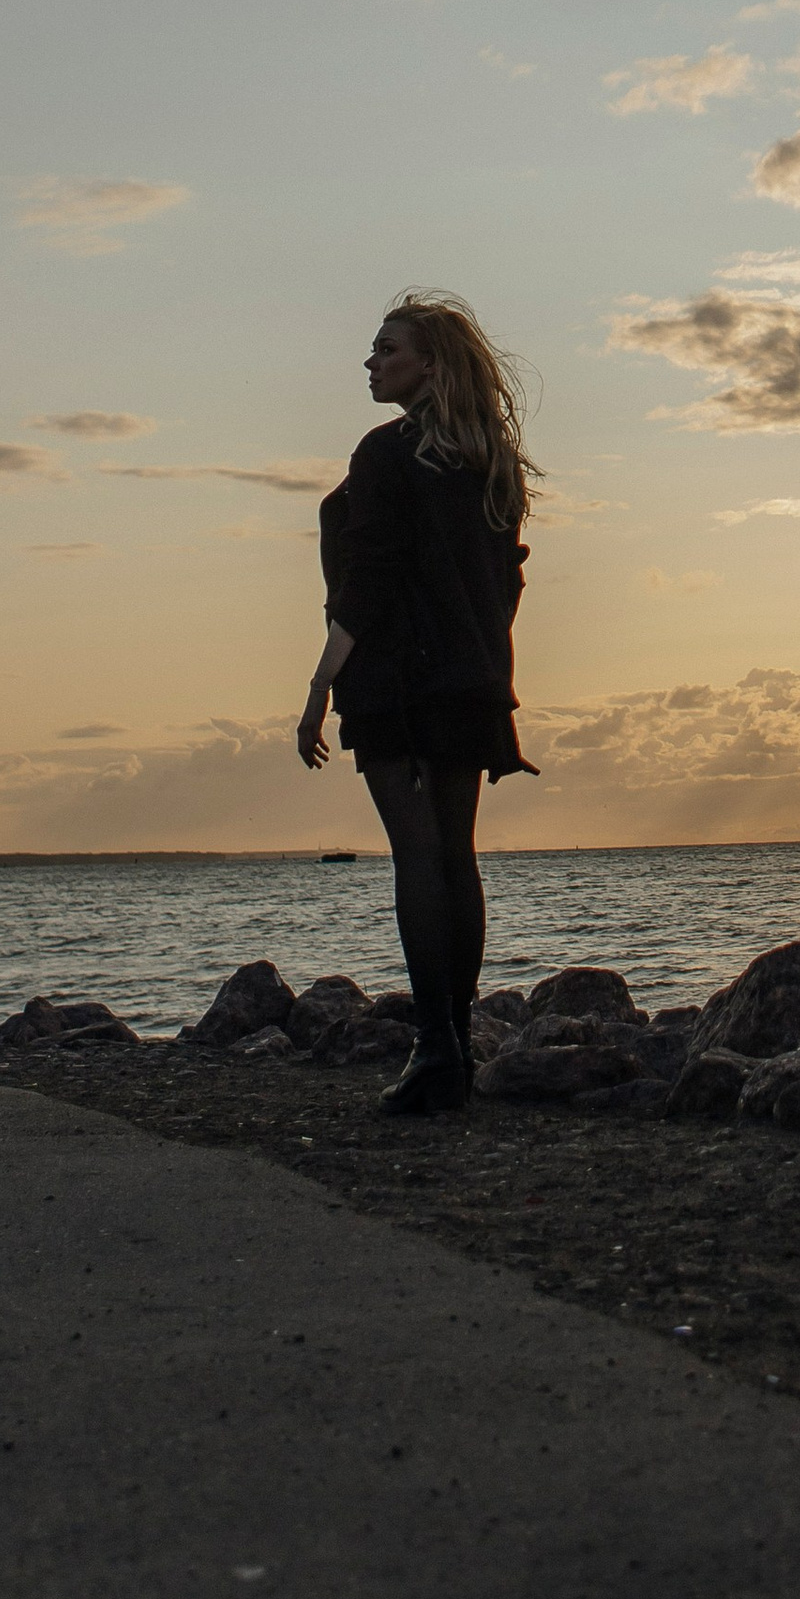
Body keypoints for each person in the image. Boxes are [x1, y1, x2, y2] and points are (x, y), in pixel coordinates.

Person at [297, 290, 536, 1113]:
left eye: (386, 349)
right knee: (455, 857)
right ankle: (454, 1049)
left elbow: (367, 579)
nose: (371, 362)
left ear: (429, 364)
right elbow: (505, 586)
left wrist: (321, 680)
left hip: (399, 680)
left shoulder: (386, 454)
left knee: (419, 859)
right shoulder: (490, 464)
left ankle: (436, 1050)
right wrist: (476, 654)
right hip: (469, 681)